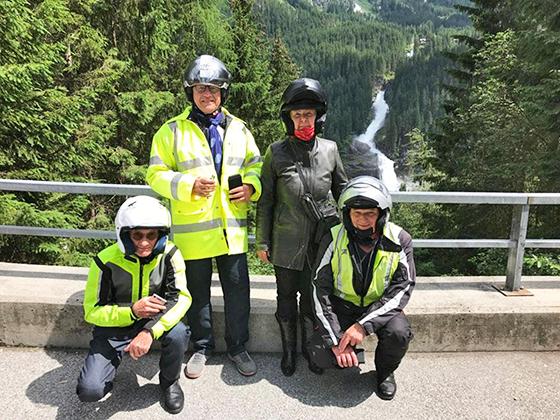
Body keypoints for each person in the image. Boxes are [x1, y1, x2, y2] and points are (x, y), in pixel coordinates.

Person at [147, 55, 262, 379]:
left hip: (232, 230)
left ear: (223, 92)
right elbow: (155, 174)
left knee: (238, 293)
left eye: (213, 88)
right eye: (200, 88)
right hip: (193, 232)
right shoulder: (171, 131)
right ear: (191, 92)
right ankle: (202, 347)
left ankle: (238, 348)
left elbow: (256, 166)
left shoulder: (239, 128)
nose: (207, 94)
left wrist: (252, 187)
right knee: (197, 295)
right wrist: (187, 184)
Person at [256, 78, 347, 376]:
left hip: (321, 241)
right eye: (297, 115)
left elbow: (343, 193)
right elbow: (266, 201)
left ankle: (311, 350)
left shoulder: (331, 150)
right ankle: (288, 353)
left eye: (308, 114)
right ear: (289, 119)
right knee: (285, 300)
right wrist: (262, 242)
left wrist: (350, 232)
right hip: (285, 240)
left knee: (312, 300)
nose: (303, 120)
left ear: (318, 117)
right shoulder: (276, 152)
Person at [76, 196, 192, 414]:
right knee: (89, 391)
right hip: (115, 323)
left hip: (154, 320)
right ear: (125, 234)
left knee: (178, 333)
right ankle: (108, 369)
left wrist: (149, 331)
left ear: (161, 234)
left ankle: (169, 382)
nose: (145, 242)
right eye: (137, 235)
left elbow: (181, 298)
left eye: (151, 235)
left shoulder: (170, 254)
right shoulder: (104, 261)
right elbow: (91, 312)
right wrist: (131, 312)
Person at [309, 176, 415, 401]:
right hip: (343, 305)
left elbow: (402, 288)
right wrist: (337, 341)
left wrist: (363, 326)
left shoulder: (399, 240)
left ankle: (385, 373)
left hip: (379, 306)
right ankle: (347, 352)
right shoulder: (333, 237)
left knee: (399, 333)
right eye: (356, 213)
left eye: (370, 214)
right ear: (347, 214)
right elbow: (320, 289)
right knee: (321, 353)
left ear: (382, 214)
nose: (362, 220)